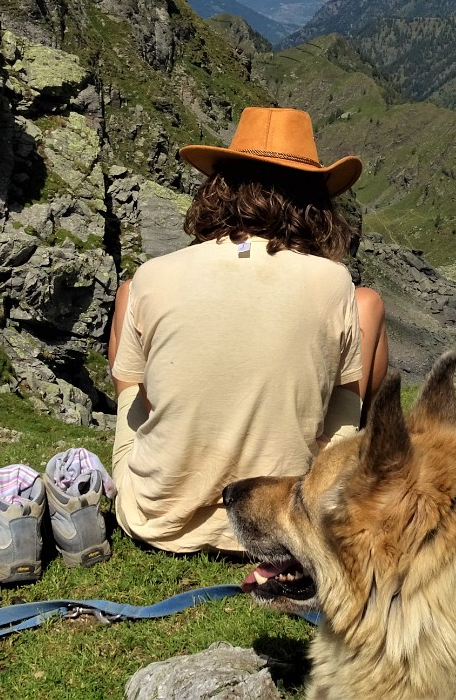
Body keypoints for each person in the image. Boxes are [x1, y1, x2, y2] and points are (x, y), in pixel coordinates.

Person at [106, 107, 390, 554]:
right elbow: (337, 386)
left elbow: (144, 397)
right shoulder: (333, 281)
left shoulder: (154, 274)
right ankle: (341, 466)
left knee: (128, 298)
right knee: (366, 306)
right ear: (313, 201)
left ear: (218, 189)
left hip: (159, 519)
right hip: (284, 522)